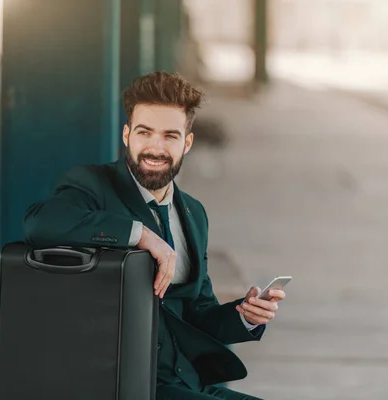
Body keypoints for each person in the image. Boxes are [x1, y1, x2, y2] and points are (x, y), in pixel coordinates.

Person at [23, 71, 286, 400]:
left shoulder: (193, 212)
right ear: (127, 135)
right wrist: (141, 235)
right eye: (145, 133)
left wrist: (244, 316)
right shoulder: (92, 186)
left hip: (185, 382)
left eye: (170, 136)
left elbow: (197, 312)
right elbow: (39, 223)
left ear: (186, 143)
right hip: (122, 384)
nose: (156, 147)